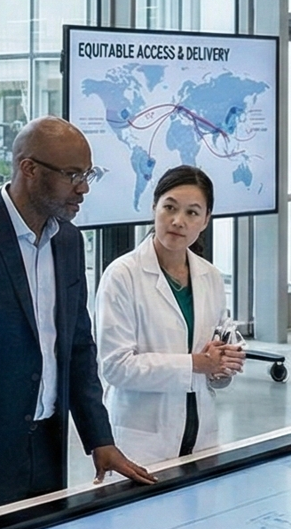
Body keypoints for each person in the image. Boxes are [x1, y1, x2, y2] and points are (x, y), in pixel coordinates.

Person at [0, 118, 157, 529]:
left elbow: (78, 346)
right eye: (72, 175)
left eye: (88, 174)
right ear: (29, 169)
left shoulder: (68, 241)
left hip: (45, 446)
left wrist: (101, 438)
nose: (84, 188)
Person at [95, 166, 246, 466]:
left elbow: (216, 355)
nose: (178, 221)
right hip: (140, 440)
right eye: (170, 208)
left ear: (205, 220)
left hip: (200, 433)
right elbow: (115, 367)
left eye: (192, 213)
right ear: (154, 207)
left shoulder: (211, 276)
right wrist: (194, 364)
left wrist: (222, 364)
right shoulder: (123, 276)